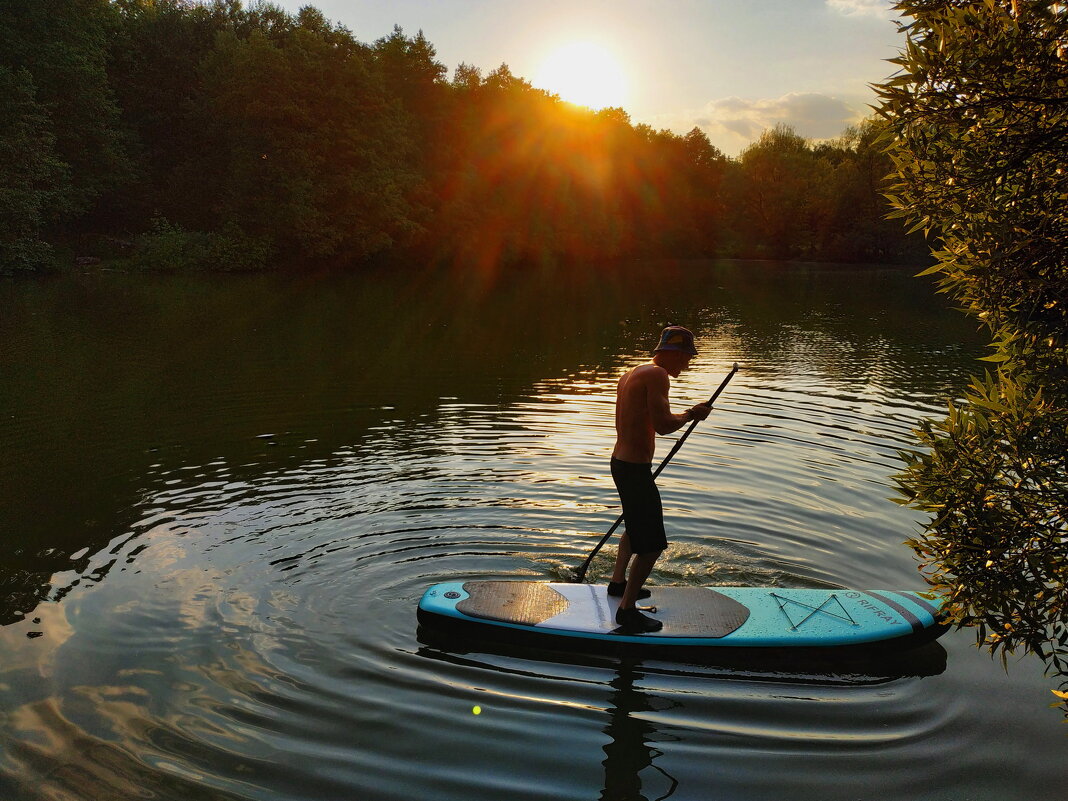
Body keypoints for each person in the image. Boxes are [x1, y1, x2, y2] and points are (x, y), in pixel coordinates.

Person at [609, 325, 711, 632]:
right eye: (686, 357)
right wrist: (691, 414)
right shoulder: (657, 375)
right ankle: (627, 611)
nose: (688, 364)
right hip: (634, 470)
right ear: (673, 353)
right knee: (652, 545)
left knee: (634, 526)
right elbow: (665, 425)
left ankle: (617, 583)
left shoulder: (633, 372)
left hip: (622, 463)